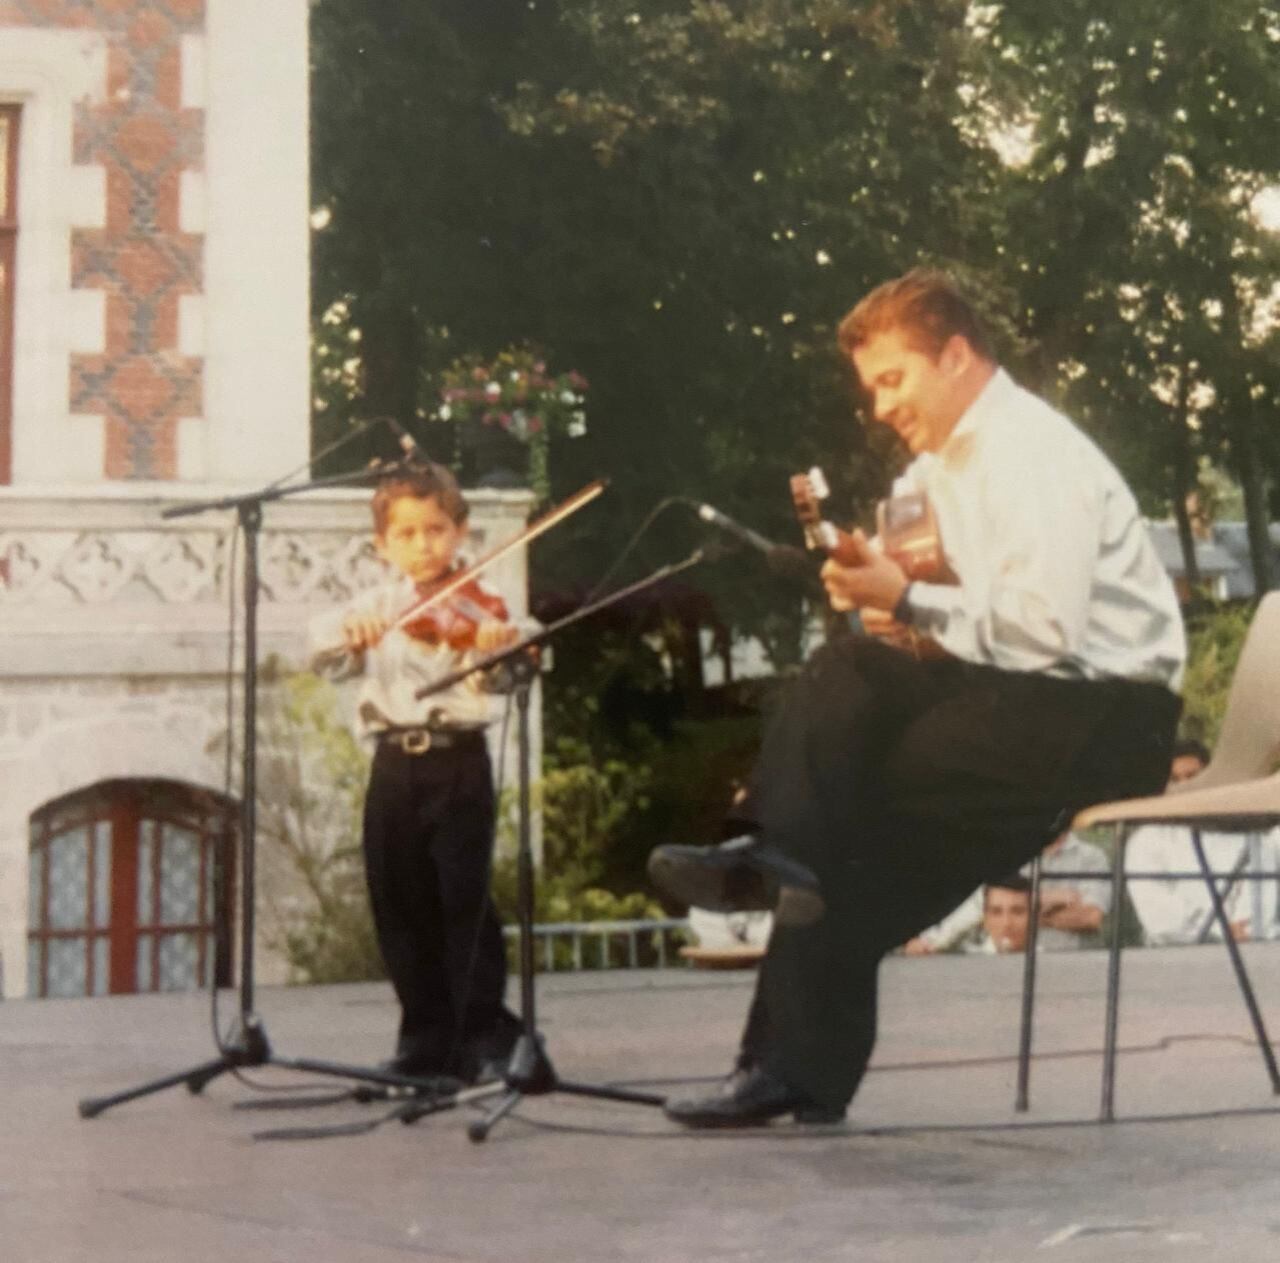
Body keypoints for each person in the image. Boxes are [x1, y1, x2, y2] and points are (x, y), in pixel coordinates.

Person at [648, 268, 1186, 1127]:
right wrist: (890, 595)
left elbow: (1041, 629)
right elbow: (958, 617)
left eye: (893, 378)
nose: (880, 406)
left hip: (1105, 713)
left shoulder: (1029, 452)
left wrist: (902, 596)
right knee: (846, 679)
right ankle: (770, 899)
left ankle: (784, 1011)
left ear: (958, 355)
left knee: (844, 805)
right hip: (1024, 700)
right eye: (871, 388)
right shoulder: (947, 468)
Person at [308, 462, 522, 1082]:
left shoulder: (481, 605)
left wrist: (496, 648)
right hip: (393, 763)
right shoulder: (375, 604)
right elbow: (320, 648)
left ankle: (483, 1036)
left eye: (434, 530)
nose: (421, 545)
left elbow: (511, 671)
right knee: (398, 902)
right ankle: (423, 1039)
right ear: (383, 545)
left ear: (460, 533)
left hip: (457, 762)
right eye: (405, 534)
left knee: (464, 901)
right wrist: (352, 635)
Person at [1127, 739, 1280, 945]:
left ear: (1209, 778)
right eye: (1174, 779)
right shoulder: (1146, 841)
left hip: (1247, 952)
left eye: (1192, 777)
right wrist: (1221, 931)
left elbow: (1259, 909)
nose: (1183, 786)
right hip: (1170, 961)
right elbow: (1159, 918)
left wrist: (1227, 933)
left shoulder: (1249, 835)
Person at [905, 828, 1111, 954]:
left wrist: (1020, 910)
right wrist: (1046, 901)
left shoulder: (1092, 857)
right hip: (1004, 961)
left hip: (1072, 965)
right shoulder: (1009, 852)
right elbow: (978, 903)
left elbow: (1091, 918)